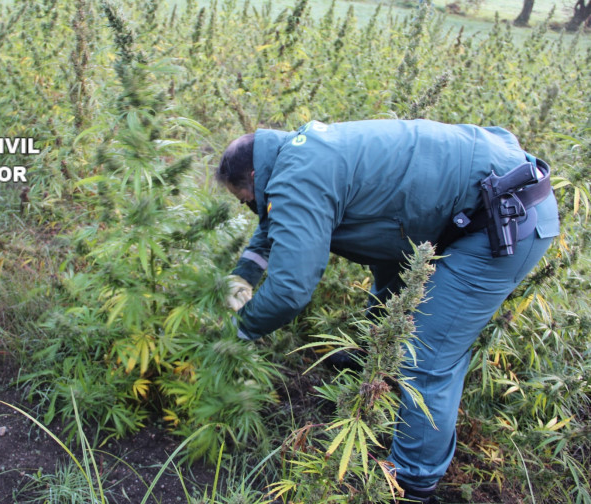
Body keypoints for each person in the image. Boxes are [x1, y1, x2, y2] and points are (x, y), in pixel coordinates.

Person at [217, 119, 559, 502]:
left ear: (253, 174)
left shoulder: (296, 177)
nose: (248, 207)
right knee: (389, 292)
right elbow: (276, 215)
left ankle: (412, 482)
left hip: (504, 221)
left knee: (426, 358)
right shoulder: (299, 152)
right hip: (474, 198)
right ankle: (376, 371)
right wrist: (243, 274)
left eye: (245, 199)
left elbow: (290, 290)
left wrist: (239, 330)